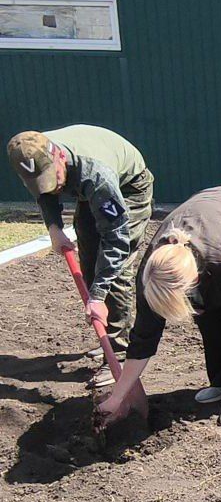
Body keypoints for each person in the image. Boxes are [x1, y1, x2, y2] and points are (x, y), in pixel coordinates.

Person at [96, 186, 221, 428]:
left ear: (194, 280)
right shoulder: (152, 275)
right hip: (212, 210)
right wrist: (116, 397)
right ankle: (220, 382)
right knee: (205, 313)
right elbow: (143, 339)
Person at [7, 125, 154, 388]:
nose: (51, 187)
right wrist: (54, 228)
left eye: (53, 177)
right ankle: (108, 336)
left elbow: (116, 240)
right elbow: (44, 193)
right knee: (89, 258)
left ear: (59, 157)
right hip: (86, 193)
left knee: (114, 270)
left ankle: (119, 354)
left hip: (129, 188)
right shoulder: (31, 156)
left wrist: (97, 297)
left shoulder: (96, 175)